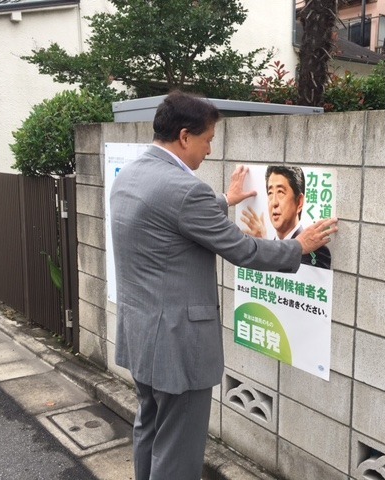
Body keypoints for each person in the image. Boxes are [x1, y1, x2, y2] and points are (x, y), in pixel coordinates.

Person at [109, 91, 337, 480]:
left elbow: (167, 214)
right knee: (178, 452)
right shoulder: (185, 191)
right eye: (207, 139)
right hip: (178, 346)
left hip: (142, 336)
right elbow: (243, 250)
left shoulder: (132, 174)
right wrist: (299, 247)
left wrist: (225, 200)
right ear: (184, 137)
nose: (210, 150)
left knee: (150, 426)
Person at [241, 165, 332, 269]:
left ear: (299, 202)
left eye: (280, 192)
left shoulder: (317, 250)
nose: (274, 202)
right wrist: (264, 245)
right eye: (270, 193)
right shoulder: (266, 244)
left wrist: (266, 248)